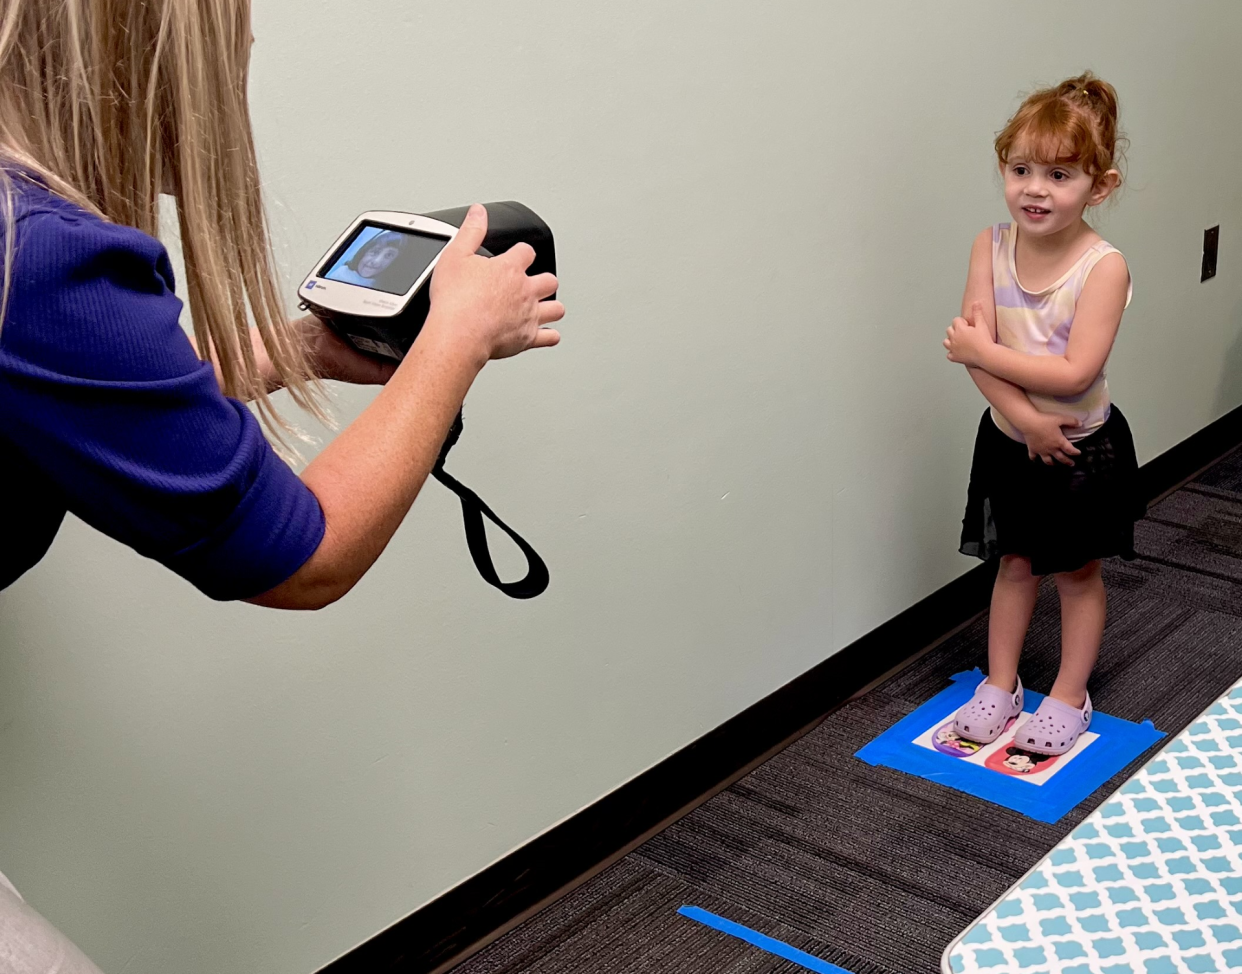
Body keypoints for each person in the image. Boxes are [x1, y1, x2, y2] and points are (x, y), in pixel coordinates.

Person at [0, 0, 562, 969]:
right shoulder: (40, 259)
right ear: (138, 54)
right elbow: (304, 550)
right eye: (230, 50)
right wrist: (457, 337)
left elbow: (75, 390)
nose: (241, 65)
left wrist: (295, 349)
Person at [942, 72, 1139, 758]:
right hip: (1009, 439)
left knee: (1076, 572)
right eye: (1021, 169)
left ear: (1100, 185)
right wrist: (1023, 419)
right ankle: (1001, 683)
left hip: (1080, 447)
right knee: (1014, 561)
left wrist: (988, 354)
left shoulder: (1102, 266)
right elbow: (975, 356)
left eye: (1059, 174)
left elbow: (1074, 372)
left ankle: (1069, 693)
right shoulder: (988, 246)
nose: (1035, 188)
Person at [326, 228, 408, 288]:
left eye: (388, 256)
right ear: (363, 252)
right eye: (375, 252)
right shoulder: (342, 274)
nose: (377, 261)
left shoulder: (380, 285)